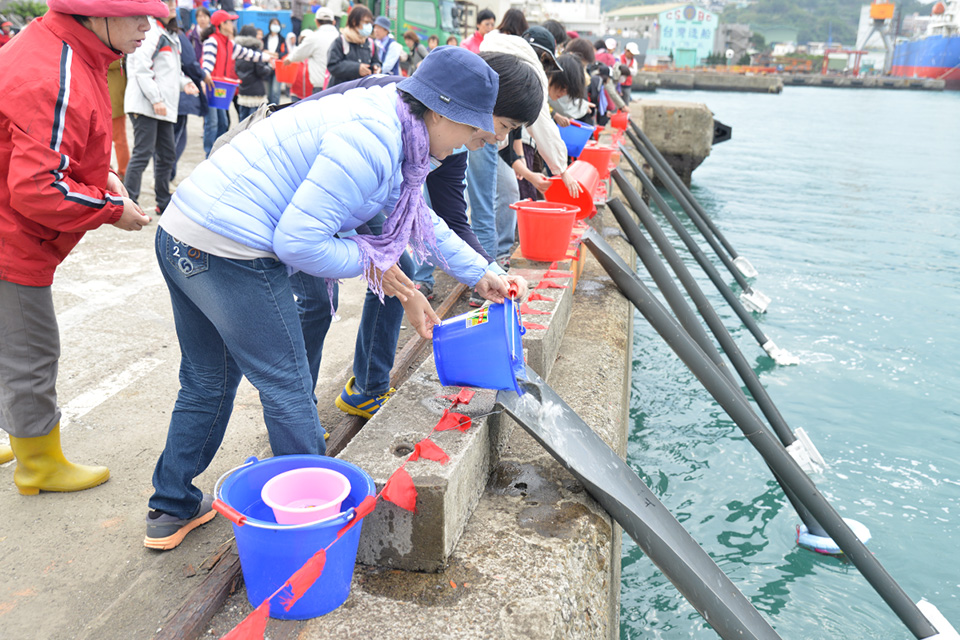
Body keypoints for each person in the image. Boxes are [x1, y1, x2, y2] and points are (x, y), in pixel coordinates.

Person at [143, 47, 521, 549]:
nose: (471, 146)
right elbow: (298, 243)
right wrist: (372, 259)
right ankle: (316, 535)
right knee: (288, 387)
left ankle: (171, 507)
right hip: (232, 250)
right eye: (473, 134)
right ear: (441, 112)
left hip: (184, 233)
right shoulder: (375, 139)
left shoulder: (392, 123)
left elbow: (416, 222)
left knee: (206, 382)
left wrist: (480, 272)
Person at [310, 51, 540, 418]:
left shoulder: (450, 142)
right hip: (310, 184)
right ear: (471, 103)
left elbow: (446, 219)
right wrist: (381, 268)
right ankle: (300, 416)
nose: (501, 138)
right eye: (505, 123)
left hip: (346, 192)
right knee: (316, 301)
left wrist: (489, 272)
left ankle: (366, 386)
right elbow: (304, 233)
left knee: (396, 260)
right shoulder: (387, 121)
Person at [0, 0, 157, 486]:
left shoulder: (62, 48)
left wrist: (103, 175)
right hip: (11, 238)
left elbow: (59, 145)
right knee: (31, 350)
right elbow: (38, 187)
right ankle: (39, 465)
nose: (146, 27)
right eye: (137, 16)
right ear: (96, 14)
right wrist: (112, 210)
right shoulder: (56, 71)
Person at [465, 25, 579, 304]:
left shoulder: (493, 45)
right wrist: (562, 169)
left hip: (467, 130)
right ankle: (487, 276)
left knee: (459, 205)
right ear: (544, 58)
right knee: (482, 209)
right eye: (507, 126)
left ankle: (479, 273)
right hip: (479, 133)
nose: (505, 135)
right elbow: (542, 123)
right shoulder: (527, 70)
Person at [125, 0, 198, 217]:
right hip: (147, 104)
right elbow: (141, 67)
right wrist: (155, 98)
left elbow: (171, 72)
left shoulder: (170, 34)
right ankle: (129, 202)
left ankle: (163, 202)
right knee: (143, 153)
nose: (173, 5)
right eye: (167, 2)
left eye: (174, 2)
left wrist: (186, 83)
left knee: (167, 154)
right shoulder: (151, 31)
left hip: (163, 107)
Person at [201, 9, 276, 156]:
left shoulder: (230, 44)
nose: (233, 24)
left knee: (222, 123)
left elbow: (250, 55)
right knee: (213, 123)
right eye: (230, 21)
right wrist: (204, 79)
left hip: (221, 89)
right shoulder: (212, 41)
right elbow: (207, 64)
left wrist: (267, 57)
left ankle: (216, 154)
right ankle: (208, 155)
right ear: (222, 24)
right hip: (210, 88)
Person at [287, 7, 338, 93]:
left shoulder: (313, 38)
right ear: (334, 22)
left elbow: (296, 54)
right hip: (338, 87)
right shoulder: (341, 37)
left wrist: (287, 60)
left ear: (316, 22)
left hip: (320, 88)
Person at [326, 5, 378, 87]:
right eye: (366, 22)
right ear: (354, 22)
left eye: (370, 23)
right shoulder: (341, 41)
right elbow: (333, 65)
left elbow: (376, 61)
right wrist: (357, 68)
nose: (369, 26)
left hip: (361, 92)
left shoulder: (370, 44)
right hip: (341, 93)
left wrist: (376, 67)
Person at [235, 24, 272, 119]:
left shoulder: (238, 51)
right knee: (254, 122)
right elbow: (261, 71)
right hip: (256, 92)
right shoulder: (256, 52)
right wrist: (270, 68)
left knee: (243, 121)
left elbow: (235, 69)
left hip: (243, 91)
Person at [108, 58, 130, 181]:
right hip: (114, 100)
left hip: (114, 100)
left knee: (119, 138)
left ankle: (124, 170)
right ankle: (122, 169)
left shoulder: (116, 57)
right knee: (118, 138)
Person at [262, 17, 288, 104]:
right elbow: (262, 51)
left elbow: (283, 53)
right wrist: (273, 54)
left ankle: (275, 110)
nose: (275, 26)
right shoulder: (265, 38)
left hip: (278, 68)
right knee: (268, 93)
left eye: (277, 24)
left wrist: (271, 54)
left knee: (275, 92)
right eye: (273, 24)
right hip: (266, 67)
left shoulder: (282, 39)